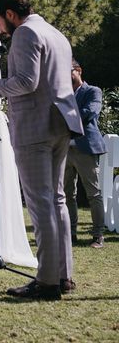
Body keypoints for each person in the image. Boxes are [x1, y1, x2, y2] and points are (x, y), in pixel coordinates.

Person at [0, 0, 83, 300]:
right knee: (57, 200)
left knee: (41, 202)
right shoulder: (56, 34)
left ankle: (47, 281)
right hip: (62, 123)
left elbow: (26, 82)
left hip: (35, 126)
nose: (0, 30)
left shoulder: (25, 33)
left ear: (10, 14)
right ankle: (64, 275)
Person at [64, 59, 107, 248]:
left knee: (93, 194)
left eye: (68, 70)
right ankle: (70, 234)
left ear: (78, 71)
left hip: (86, 148)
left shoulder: (93, 91)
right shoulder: (62, 94)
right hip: (64, 149)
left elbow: (89, 113)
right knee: (66, 195)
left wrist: (64, 117)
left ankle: (98, 235)